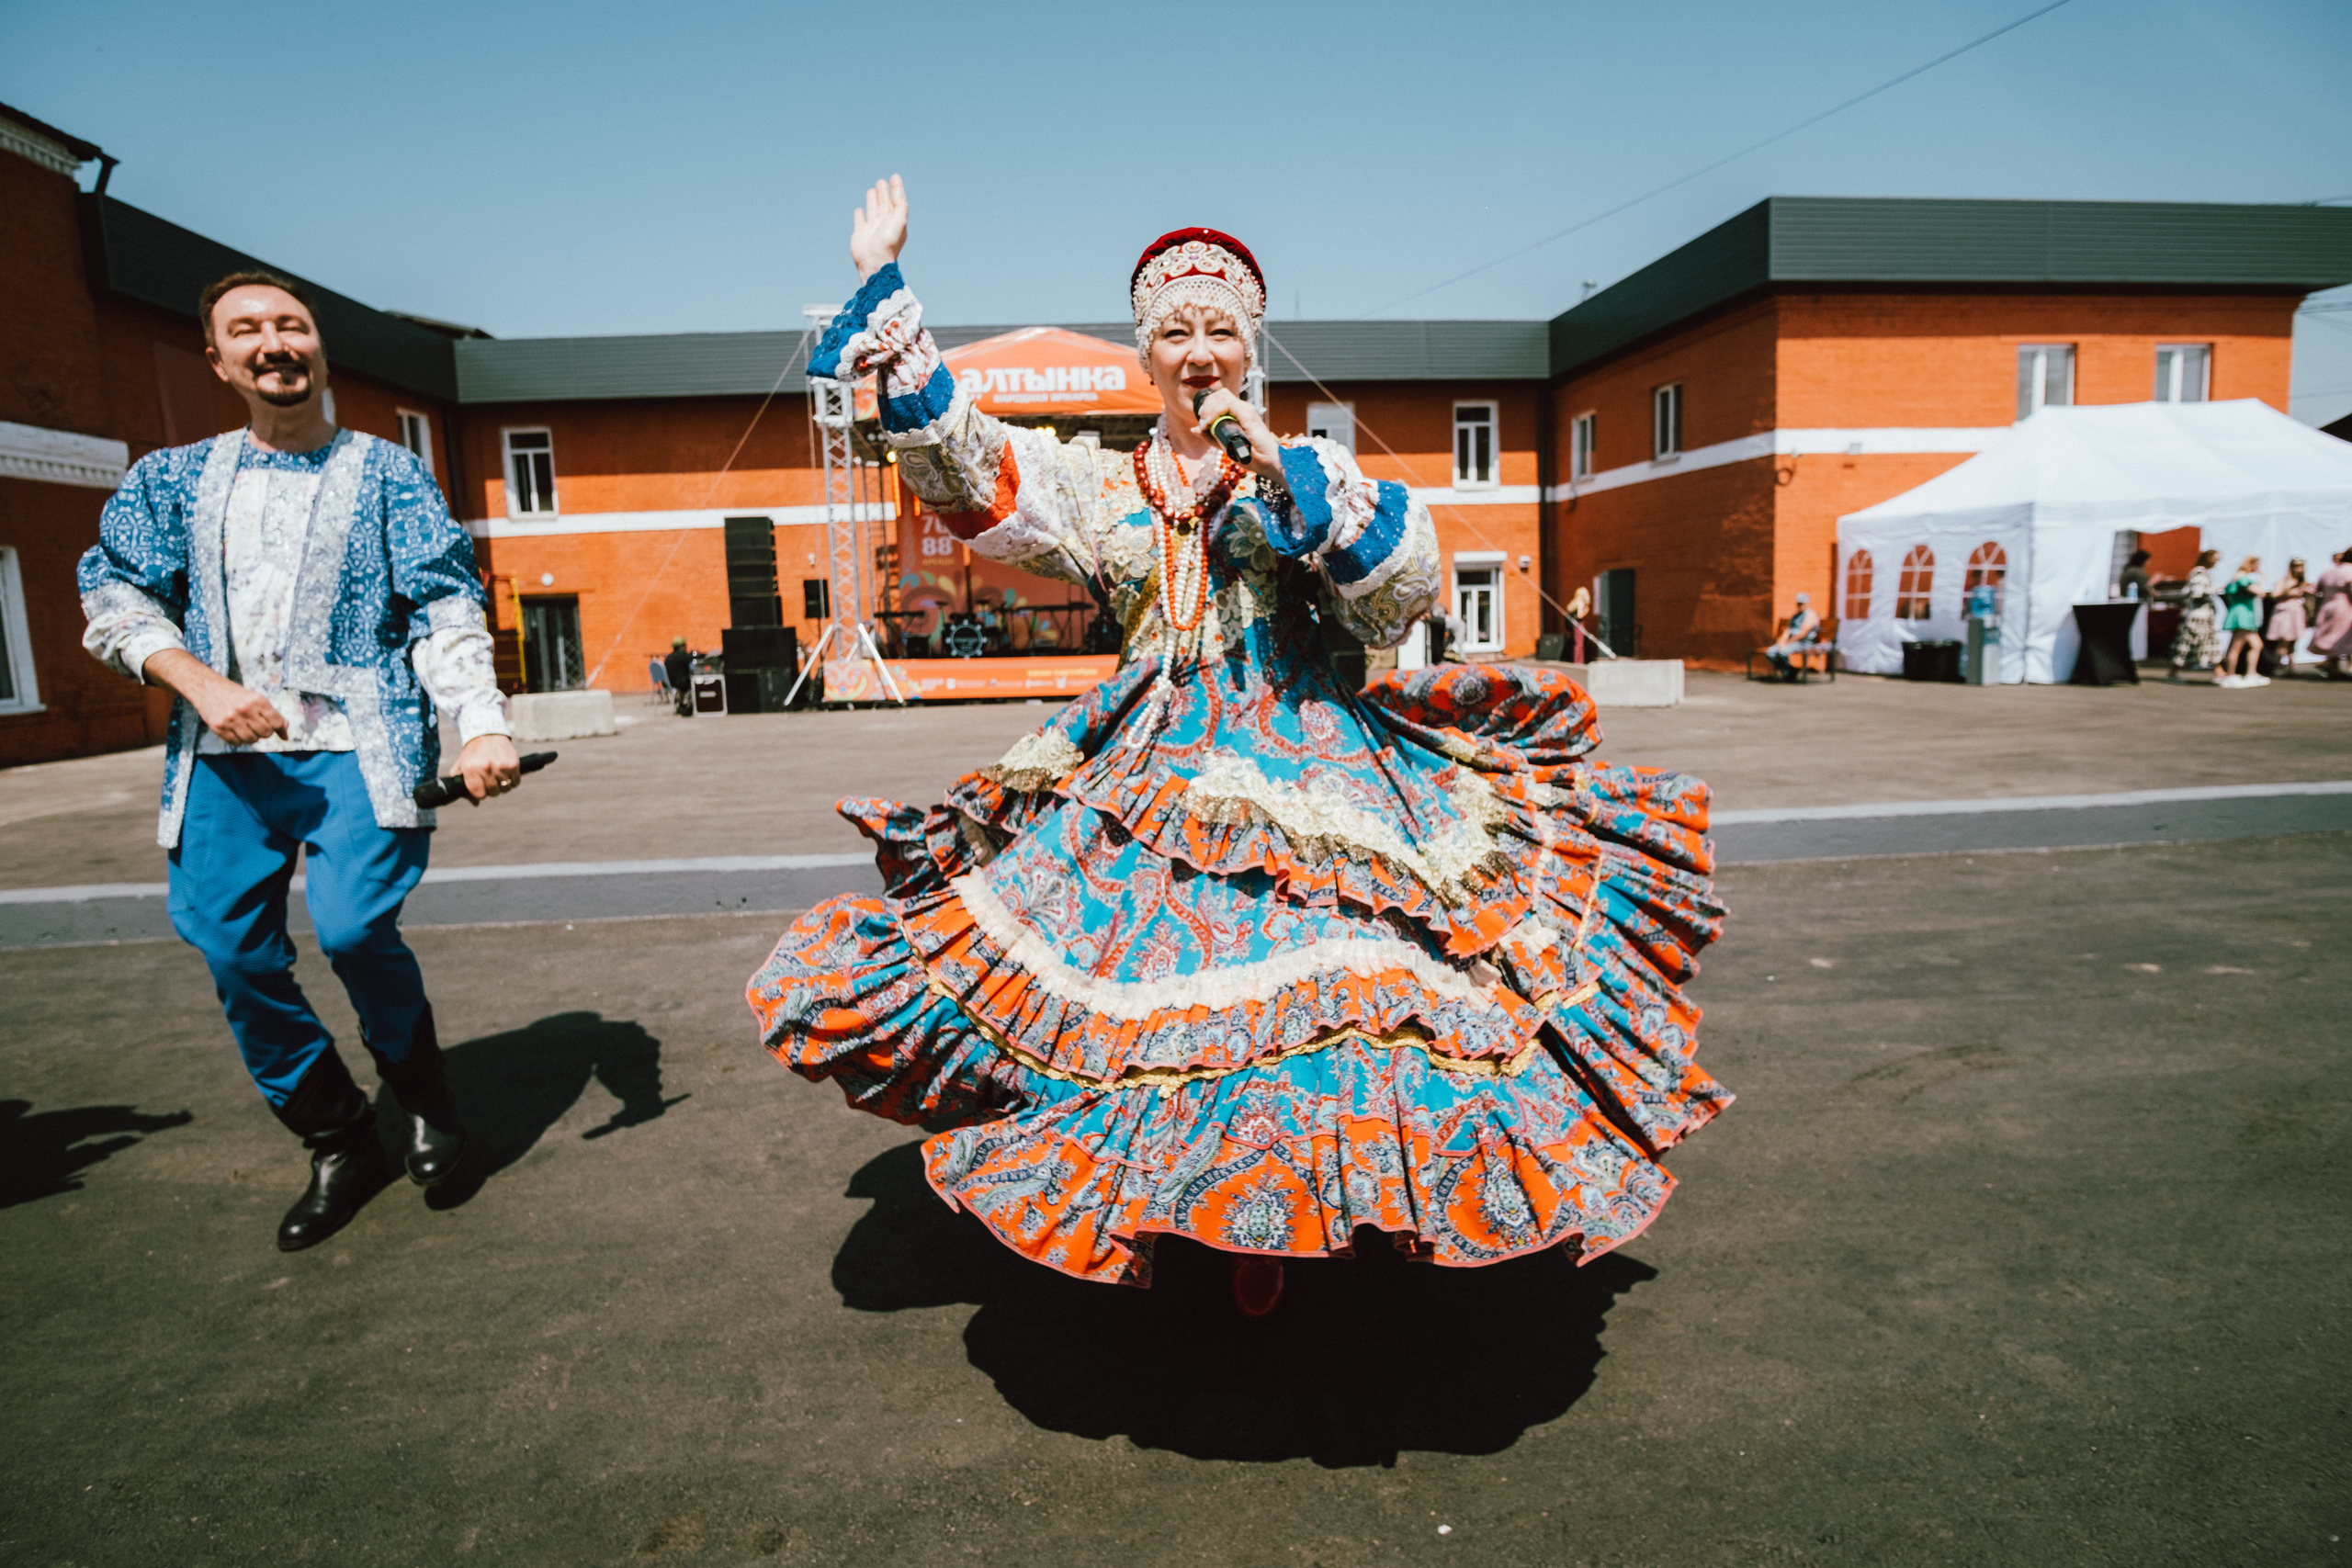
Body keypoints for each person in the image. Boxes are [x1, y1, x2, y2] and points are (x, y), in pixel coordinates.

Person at [747, 178, 1728, 1318]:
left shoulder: (1307, 465)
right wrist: (887, 290)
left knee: (1350, 1006)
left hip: (1319, 767)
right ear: (1143, 355)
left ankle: (1320, 1203)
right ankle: (1215, 1209)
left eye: (1220, 329)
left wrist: (1288, 480)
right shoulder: (1107, 486)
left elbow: (1399, 590)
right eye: (1175, 331)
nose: (1199, 350)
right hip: (1149, 768)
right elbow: (975, 470)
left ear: (1251, 348)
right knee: (1153, 1009)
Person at [79, 271, 523, 1252]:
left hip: (357, 750)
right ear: (218, 359)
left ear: (321, 348)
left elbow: (445, 604)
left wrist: (478, 724)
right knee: (233, 950)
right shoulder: (170, 479)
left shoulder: (389, 474)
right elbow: (112, 597)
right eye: (248, 330)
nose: (273, 342)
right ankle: (334, 1133)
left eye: (292, 325)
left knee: (357, 929)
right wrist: (199, 685)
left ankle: (423, 1098)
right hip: (222, 756)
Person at [2166, 548, 2222, 682]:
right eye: (2215, 559)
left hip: (2201, 615)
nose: (2217, 562)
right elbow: (2197, 594)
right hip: (2198, 616)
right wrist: (2215, 589)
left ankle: (2219, 671)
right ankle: (2173, 672)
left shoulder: (2201, 572)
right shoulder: (2199, 572)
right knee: (2187, 643)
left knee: (2205, 643)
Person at [2215, 555, 2267, 688]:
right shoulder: (2242, 577)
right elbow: (2260, 592)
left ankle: (2250, 673)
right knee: (2237, 646)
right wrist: (2262, 579)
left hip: (2242, 613)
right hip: (2242, 614)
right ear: (2251, 564)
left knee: (2256, 645)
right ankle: (2231, 675)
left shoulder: (2237, 577)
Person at [2264, 558, 2312, 679]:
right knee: (2283, 642)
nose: (2298, 570)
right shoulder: (2283, 581)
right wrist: (2289, 591)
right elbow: (2274, 595)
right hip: (2284, 612)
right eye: (2296, 567)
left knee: (2293, 642)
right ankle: (2276, 666)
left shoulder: (2303, 582)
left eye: (2301, 567)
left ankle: (2291, 667)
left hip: (2296, 612)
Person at [2312, 548, 2352, 680]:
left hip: (2327, 605)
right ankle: (2332, 666)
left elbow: (2317, 589)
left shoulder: (2329, 571)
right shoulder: (2350, 571)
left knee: (2331, 637)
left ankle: (2333, 669)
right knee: (2342, 637)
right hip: (2344, 607)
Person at [1764, 592, 1821, 681]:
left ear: (1807, 603)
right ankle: (1790, 670)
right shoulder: (1795, 616)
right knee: (1770, 653)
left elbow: (1802, 634)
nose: (1800, 606)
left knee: (1782, 652)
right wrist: (1781, 642)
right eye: (1798, 603)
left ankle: (1789, 673)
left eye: (1802, 604)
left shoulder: (1811, 615)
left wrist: (1787, 643)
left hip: (1803, 643)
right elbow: (1788, 630)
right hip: (1791, 642)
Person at [663, 637, 695, 716]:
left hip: (668, 683)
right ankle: (693, 705)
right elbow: (693, 657)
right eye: (685, 645)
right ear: (681, 646)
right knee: (696, 682)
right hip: (680, 683)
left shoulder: (668, 657)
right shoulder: (682, 655)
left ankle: (681, 704)